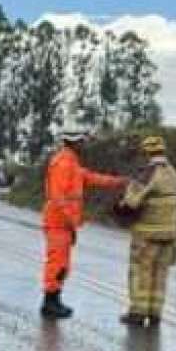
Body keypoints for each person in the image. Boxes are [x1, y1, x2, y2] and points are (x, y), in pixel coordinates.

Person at [40, 129, 124, 318]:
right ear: (74, 142)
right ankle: (49, 303)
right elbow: (58, 197)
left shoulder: (72, 163)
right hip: (59, 222)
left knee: (62, 264)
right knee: (57, 263)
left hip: (64, 223)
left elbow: (92, 177)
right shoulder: (63, 163)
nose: (84, 145)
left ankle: (54, 299)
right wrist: (71, 220)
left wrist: (118, 182)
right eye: (82, 141)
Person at [116, 134, 176, 326]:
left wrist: (121, 206)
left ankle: (137, 312)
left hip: (147, 234)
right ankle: (155, 314)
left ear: (146, 152)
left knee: (141, 272)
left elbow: (132, 202)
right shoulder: (175, 175)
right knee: (160, 275)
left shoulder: (148, 173)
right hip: (169, 234)